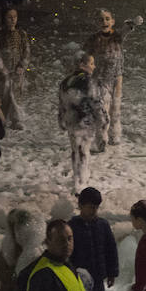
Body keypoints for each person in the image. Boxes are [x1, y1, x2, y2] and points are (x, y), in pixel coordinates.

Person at [83, 8, 141, 151]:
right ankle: (100, 138)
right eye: (101, 19)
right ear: (96, 23)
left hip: (117, 78)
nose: (104, 22)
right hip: (101, 79)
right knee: (103, 110)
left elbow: (125, 30)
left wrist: (132, 23)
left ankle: (114, 134)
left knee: (115, 108)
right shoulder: (93, 39)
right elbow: (85, 56)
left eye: (107, 19)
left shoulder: (117, 36)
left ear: (113, 21)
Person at [68, 187, 118, 291]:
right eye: (90, 207)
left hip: (98, 275)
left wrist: (112, 273)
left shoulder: (103, 225)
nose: (94, 210)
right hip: (78, 278)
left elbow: (111, 249)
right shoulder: (72, 226)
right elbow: (67, 253)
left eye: (96, 207)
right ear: (80, 206)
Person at [57, 52, 105, 193]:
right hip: (85, 122)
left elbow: (61, 104)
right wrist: (103, 122)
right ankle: (81, 184)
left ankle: (76, 180)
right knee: (83, 151)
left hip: (71, 122)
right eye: (91, 63)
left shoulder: (65, 82)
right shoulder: (90, 81)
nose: (94, 66)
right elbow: (96, 104)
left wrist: (61, 119)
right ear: (82, 65)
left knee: (75, 151)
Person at [0, 5, 32, 131]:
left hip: (17, 70)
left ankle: (16, 119)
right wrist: (1, 68)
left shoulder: (21, 34)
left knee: (16, 93)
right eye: (9, 17)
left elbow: (26, 51)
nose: (13, 20)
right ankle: (1, 118)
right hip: (4, 70)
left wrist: (22, 65)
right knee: (3, 93)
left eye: (15, 17)